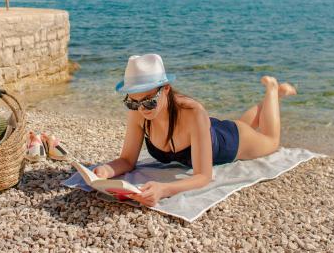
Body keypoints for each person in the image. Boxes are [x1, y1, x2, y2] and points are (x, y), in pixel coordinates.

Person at [93, 54, 297, 207]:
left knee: (271, 140)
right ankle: (271, 97)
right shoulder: (140, 109)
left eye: (149, 101)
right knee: (241, 122)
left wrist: (164, 189)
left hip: (231, 141)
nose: (142, 108)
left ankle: (273, 91)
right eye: (133, 102)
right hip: (207, 131)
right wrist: (105, 171)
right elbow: (127, 161)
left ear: (166, 89)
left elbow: (203, 176)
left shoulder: (192, 111)